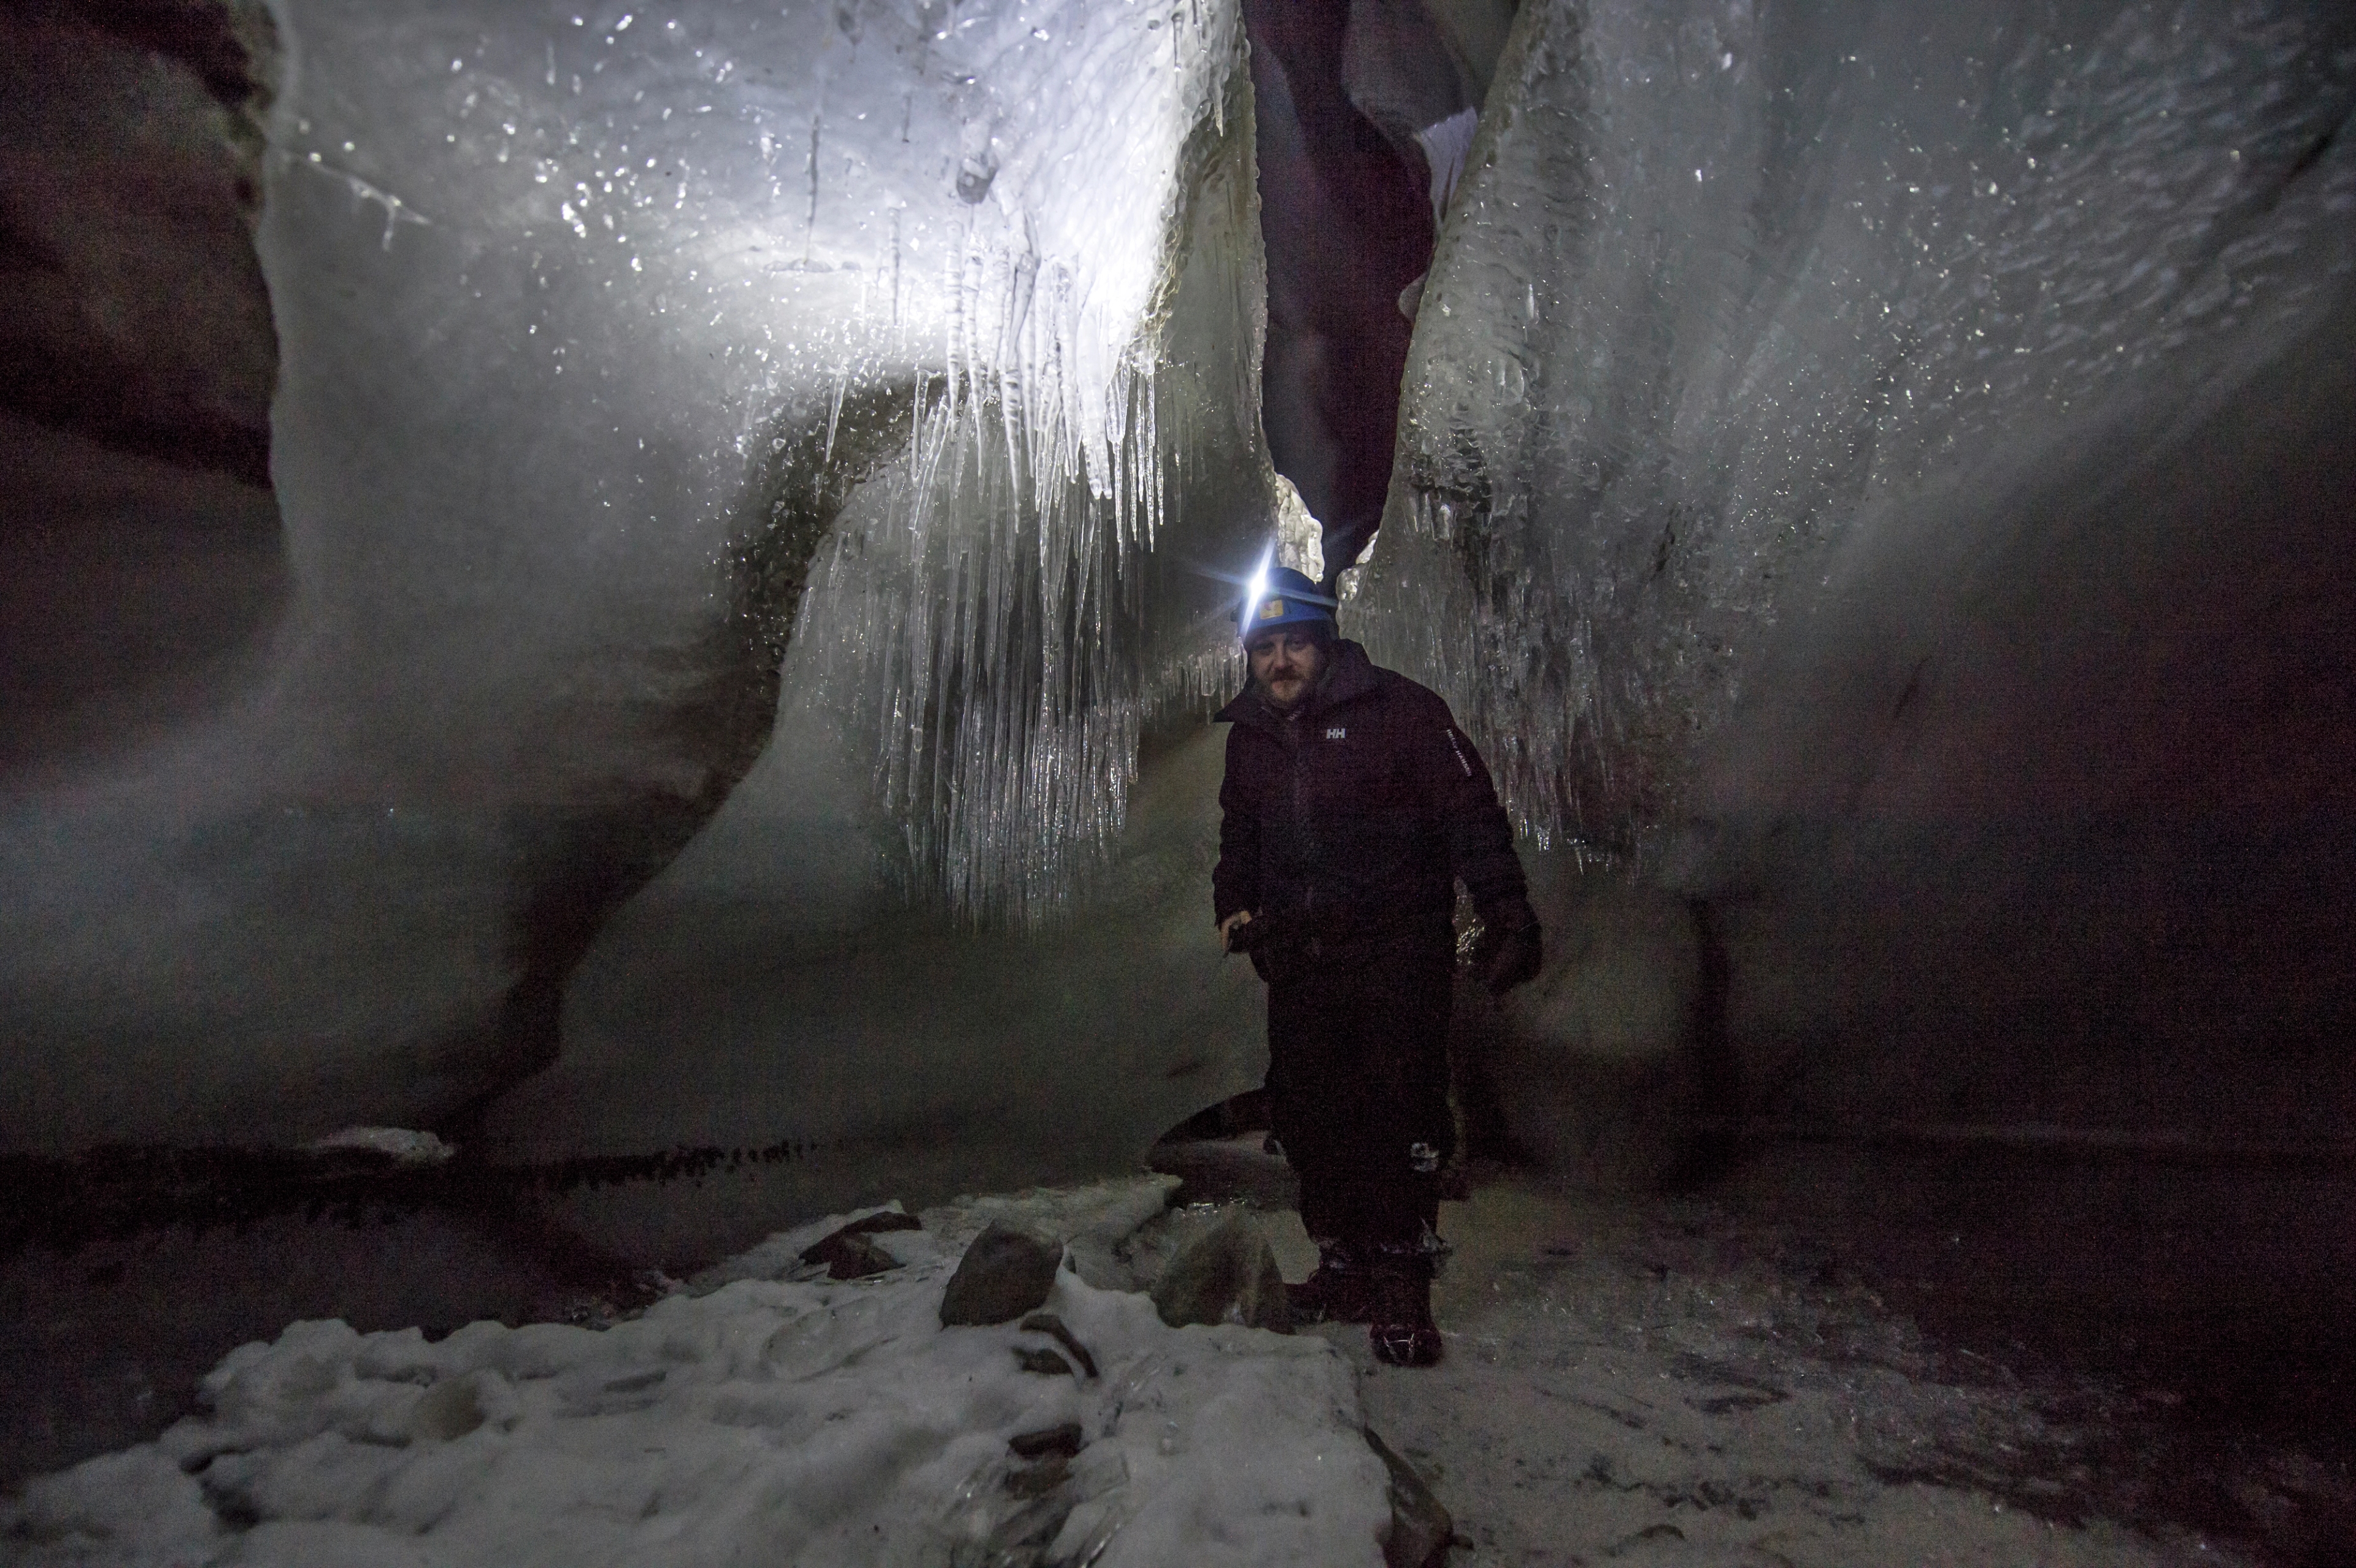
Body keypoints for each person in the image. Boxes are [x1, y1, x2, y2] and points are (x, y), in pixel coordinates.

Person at [1212, 566, 1542, 1366]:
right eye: (1265, 648)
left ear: (1324, 644)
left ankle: (1402, 1292)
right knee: (1312, 1119)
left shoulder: (1403, 713)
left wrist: (1507, 910)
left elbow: (1472, 816)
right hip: (1300, 963)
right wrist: (1233, 904)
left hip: (1396, 956)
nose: (1280, 662)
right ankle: (1345, 1265)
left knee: (1400, 1121)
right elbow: (1240, 838)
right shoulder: (1249, 738)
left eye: (1294, 644)